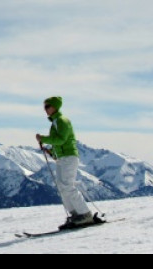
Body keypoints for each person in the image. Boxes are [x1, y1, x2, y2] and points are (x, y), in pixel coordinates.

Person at [36, 96, 95, 229]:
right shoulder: (56, 122)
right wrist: (51, 151)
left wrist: (43, 139)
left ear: (55, 107)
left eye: (47, 106)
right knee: (62, 187)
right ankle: (76, 214)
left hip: (69, 157)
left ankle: (85, 214)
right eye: (44, 107)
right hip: (63, 158)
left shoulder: (62, 121)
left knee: (67, 186)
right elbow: (59, 142)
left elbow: (61, 139)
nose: (45, 109)